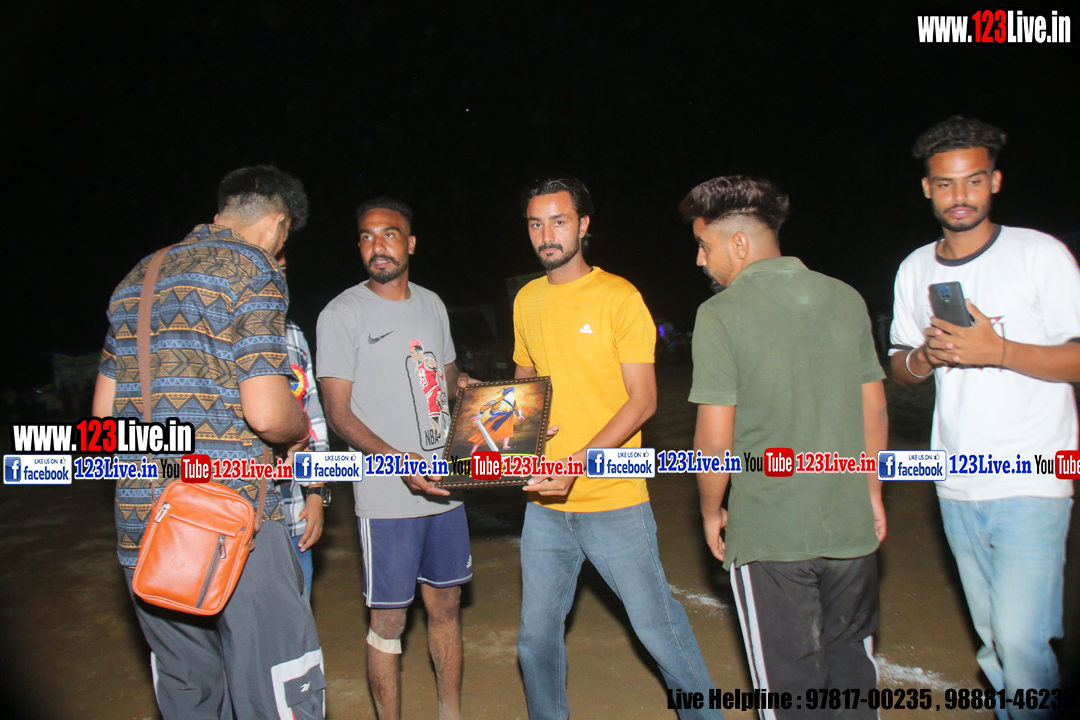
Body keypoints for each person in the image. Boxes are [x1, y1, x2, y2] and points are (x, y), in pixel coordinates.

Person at [92, 165, 326, 719]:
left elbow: (101, 423)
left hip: (147, 527)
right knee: (277, 686)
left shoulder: (137, 278)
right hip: (233, 522)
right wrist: (298, 430)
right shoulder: (253, 268)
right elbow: (266, 413)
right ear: (278, 224)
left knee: (187, 690)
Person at [890, 116, 1080, 718]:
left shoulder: (1039, 254)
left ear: (994, 181)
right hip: (956, 479)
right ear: (927, 189)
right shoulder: (915, 268)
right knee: (997, 641)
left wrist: (996, 350)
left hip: (1034, 475)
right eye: (946, 184)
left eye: (973, 181)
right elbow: (899, 365)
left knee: (1023, 640)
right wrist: (926, 356)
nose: (960, 196)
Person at [512, 176, 722, 720]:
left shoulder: (619, 297)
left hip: (612, 498)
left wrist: (576, 463)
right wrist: (495, 412)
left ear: (583, 225)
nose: (547, 235)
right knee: (535, 640)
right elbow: (524, 386)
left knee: (657, 628)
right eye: (536, 224)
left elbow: (643, 400)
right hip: (544, 504)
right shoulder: (526, 300)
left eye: (559, 221)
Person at [685, 175, 888, 719]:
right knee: (853, 683)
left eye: (704, 246)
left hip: (771, 535)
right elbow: (873, 409)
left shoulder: (720, 314)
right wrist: (871, 492)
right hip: (849, 529)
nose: (700, 260)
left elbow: (714, 440)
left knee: (791, 698)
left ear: (739, 243)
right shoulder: (845, 298)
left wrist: (710, 511)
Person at [316, 197, 470, 720]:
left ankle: (450, 714)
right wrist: (399, 462)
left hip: (446, 487)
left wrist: (477, 396)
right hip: (387, 497)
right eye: (366, 236)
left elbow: (449, 379)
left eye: (389, 234)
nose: (376, 245)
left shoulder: (432, 304)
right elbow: (337, 412)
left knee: (446, 606)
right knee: (389, 622)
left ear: (410, 243)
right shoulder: (341, 314)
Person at [277, 250, 330, 600]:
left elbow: (314, 418)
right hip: (235, 517)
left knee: (297, 618)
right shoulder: (218, 333)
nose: (277, 277)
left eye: (282, 268)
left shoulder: (292, 334)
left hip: (294, 513)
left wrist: (316, 494)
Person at [468, 387, 523, 453]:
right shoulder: (496, 401)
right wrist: (479, 416)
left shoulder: (513, 401)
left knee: (507, 432)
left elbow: (517, 408)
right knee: (483, 434)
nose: (512, 393)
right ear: (507, 393)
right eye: (511, 392)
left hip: (509, 418)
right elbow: (484, 408)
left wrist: (519, 415)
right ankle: (473, 451)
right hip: (496, 418)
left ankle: (505, 446)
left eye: (513, 392)